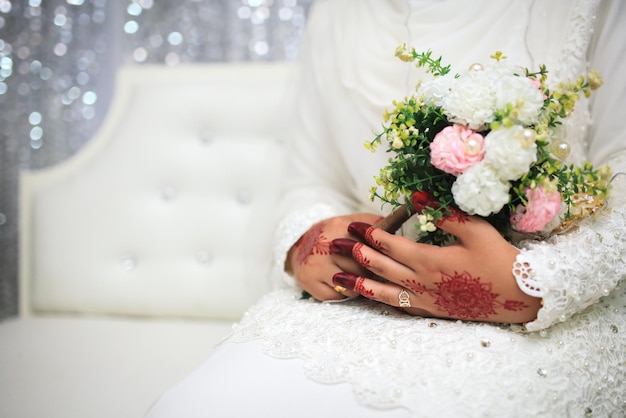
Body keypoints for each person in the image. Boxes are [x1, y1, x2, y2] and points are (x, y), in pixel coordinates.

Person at [146, 0, 626, 416]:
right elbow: (310, 179)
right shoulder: (339, 11)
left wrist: (538, 284)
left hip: (553, 317)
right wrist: (309, 239)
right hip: (363, 298)